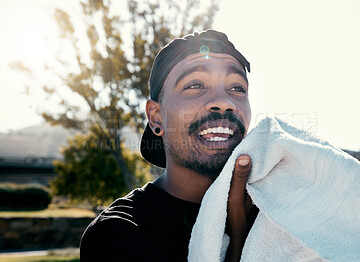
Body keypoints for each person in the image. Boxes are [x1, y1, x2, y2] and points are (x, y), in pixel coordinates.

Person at [80, 29, 258, 262]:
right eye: (195, 85)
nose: (223, 102)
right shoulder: (119, 234)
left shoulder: (277, 209)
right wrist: (239, 245)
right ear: (156, 117)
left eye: (237, 88)